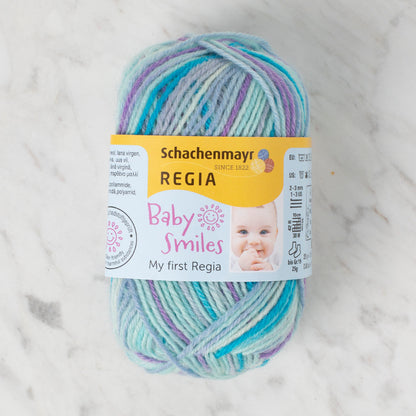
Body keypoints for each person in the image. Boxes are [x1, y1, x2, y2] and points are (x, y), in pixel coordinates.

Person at [230, 202, 278, 271]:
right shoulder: (230, 260)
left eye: (263, 232)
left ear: (275, 235)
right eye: (243, 232)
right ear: (230, 235)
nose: (254, 241)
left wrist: (271, 269)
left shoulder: (276, 258)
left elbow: (286, 271)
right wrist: (240, 267)